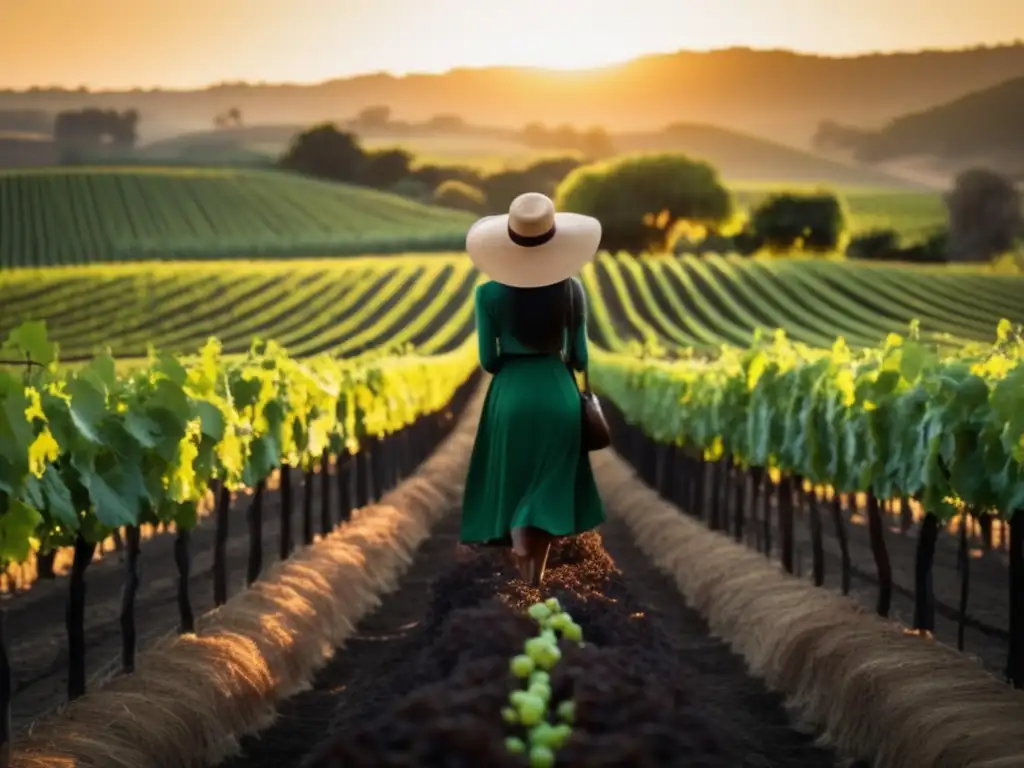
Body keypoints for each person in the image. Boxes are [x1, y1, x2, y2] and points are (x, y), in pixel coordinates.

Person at [459, 191, 606, 586]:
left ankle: (522, 563)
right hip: (557, 392)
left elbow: (488, 361)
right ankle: (533, 580)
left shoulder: (487, 294)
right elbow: (579, 357)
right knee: (546, 486)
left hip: (510, 394)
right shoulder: (572, 291)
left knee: (516, 481)